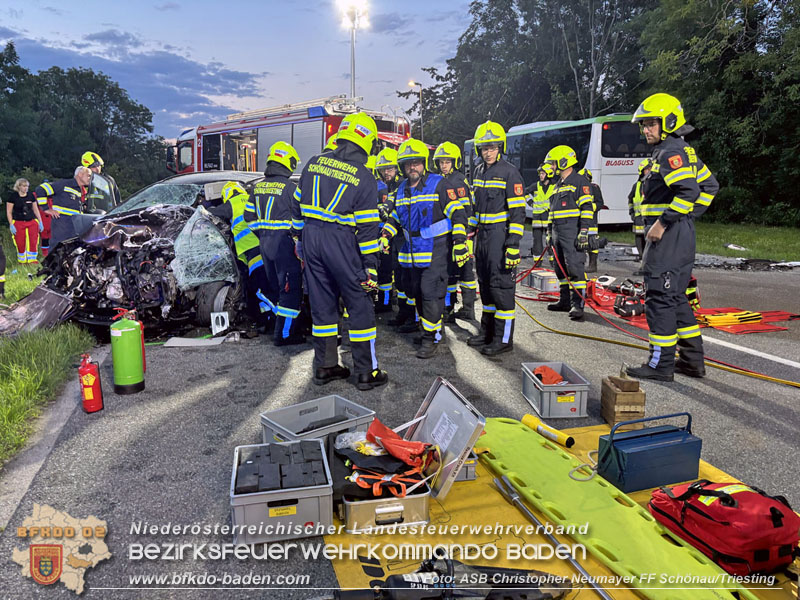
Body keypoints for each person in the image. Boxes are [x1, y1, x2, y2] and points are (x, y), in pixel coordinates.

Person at [292, 112, 388, 390]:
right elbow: (368, 229)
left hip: (311, 240)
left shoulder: (313, 164)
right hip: (341, 241)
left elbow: (297, 207)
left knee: (322, 306)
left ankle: (325, 366)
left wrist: (300, 239)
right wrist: (369, 266)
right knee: (359, 305)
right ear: (367, 141)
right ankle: (365, 373)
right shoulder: (364, 176)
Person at [626, 93, 719, 381]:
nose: (646, 130)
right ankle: (692, 361)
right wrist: (688, 217)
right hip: (679, 235)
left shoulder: (670, 153)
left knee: (659, 299)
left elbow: (689, 191)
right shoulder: (682, 151)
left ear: (667, 122)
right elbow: (710, 186)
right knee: (676, 297)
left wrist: (666, 222)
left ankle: (661, 364)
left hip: (667, 238)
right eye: (643, 125)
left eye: (651, 124)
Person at [381, 139, 468, 359]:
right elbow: (394, 219)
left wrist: (459, 242)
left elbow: (458, 214)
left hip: (436, 249)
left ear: (424, 163)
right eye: (408, 164)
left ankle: (431, 339)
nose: (413, 167)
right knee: (417, 292)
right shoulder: (400, 189)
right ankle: (429, 330)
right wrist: (385, 236)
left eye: (417, 163)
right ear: (402, 167)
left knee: (430, 293)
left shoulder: (439, 184)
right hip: (412, 252)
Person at [466, 121, 526, 356]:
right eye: (483, 148)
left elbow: (518, 213)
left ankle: (503, 339)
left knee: (501, 289)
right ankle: (487, 332)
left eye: (491, 147)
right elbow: (475, 209)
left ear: (500, 147)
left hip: (500, 238)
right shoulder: (479, 171)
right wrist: (468, 234)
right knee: (486, 287)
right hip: (482, 238)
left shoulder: (510, 172)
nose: (487, 152)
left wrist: (513, 245)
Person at [245, 141, 305, 346]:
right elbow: (301, 219)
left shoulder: (257, 187)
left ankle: (273, 324)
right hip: (285, 246)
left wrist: (263, 233)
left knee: (277, 288)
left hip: (265, 244)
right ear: (287, 162)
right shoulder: (291, 188)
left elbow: (248, 217)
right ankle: (284, 334)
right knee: (290, 290)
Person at [208, 181, 271, 330]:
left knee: (260, 288)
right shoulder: (252, 198)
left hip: (254, 252)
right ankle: (266, 320)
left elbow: (214, 213)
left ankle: (268, 320)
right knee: (264, 285)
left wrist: (205, 207)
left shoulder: (234, 202)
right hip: (267, 248)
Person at [544, 146, 595, 321]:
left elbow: (587, 208)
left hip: (572, 230)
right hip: (558, 232)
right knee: (560, 269)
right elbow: (551, 211)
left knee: (574, 268)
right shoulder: (558, 185)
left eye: (552, 163)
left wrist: (584, 232)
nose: (551, 167)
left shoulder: (580, 182)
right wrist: (549, 233)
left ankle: (577, 304)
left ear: (563, 162)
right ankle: (564, 301)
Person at [433, 141, 477, 321]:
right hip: (448, 235)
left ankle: (468, 308)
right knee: (450, 273)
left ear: (455, 162)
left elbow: (465, 211)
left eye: (447, 162)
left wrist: (465, 236)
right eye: (441, 162)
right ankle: (449, 307)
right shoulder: (439, 180)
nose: (444, 165)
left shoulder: (458, 181)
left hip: (463, 235)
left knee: (465, 272)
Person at [36, 166, 94, 252]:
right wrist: (46, 208)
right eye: (88, 175)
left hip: (73, 227)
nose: (90, 178)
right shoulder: (64, 184)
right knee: (57, 251)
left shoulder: (80, 189)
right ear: (80, 174)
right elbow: (41, 189)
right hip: (61, 226)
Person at [374, 148, 401, 314]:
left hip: (400, 236)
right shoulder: (380, 186)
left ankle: (394, 301)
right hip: (384, 233)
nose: (386, 172)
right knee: (384, 269)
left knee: (398, 270)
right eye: (384, 169)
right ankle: (385, 303)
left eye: (390, 168)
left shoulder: (402, 185)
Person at [6, 178, 44, 264]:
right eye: (24, 186)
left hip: (31, 221)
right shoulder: (13, 197)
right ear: (19, 186)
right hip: (18, 222)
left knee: (33, 241)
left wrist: (40, 221)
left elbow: (36, 209)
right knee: (20, 241)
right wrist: (11, 224)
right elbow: (9, 212)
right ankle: (22, 260)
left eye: (27, 186)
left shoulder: (31, 195)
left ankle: (32, 259)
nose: (26, 188)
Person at [578, 168, 605, 273]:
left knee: (592, 243)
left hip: (591, 220)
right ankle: (580, 264)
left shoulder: (594, 188)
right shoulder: (577, 188)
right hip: (580, 218)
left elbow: (600, 203)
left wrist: (589, 207)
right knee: (580, 243)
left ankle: (593, 265)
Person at [628, 158, 652, 274]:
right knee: (639, 241)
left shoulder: (654, 183)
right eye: (647, 169)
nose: (649, 171)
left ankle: (647, 266)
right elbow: (630, 199)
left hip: (650, 217)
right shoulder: (637, 186)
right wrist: (632, 212)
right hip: (638, 218)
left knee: (650, 242)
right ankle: (643, 265)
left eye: (650, 169)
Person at [525, 164, 555, 258]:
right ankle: (537, 260)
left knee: (550, 240)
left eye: (542, 173)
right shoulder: (536, 185)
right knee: (537, 241)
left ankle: (552, 260)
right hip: (537, 218)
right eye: (540, 174)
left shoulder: (554, 186)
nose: (540, 176)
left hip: (549, 218)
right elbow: (524, 192)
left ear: (548, 174)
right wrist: (530, 202)